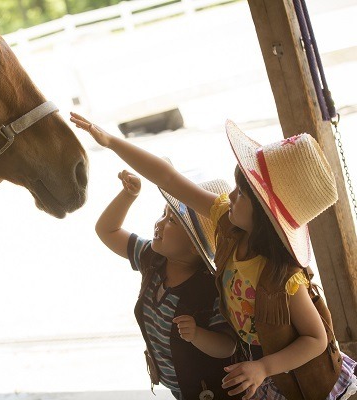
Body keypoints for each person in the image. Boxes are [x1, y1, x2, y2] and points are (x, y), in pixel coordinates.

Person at [72, 112, 357, 400]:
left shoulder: (283, 277)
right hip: (256, 370)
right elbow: (168, 178)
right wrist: (111, 142)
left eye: (242, 194)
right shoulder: (226, 225)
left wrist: (263, 368)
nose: (231, 197)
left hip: (289, 378)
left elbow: (316, 339)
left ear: (266, 215)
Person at [96, 165, 239, 399]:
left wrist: (197, 335)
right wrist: (128, 195)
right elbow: (107, 230)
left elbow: (227, 346)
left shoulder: (209, 289)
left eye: (171, 220)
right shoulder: (152, 258)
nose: (159, 223)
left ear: (195, 245)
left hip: (212, 391)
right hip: (179, 388)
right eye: (163, 213)